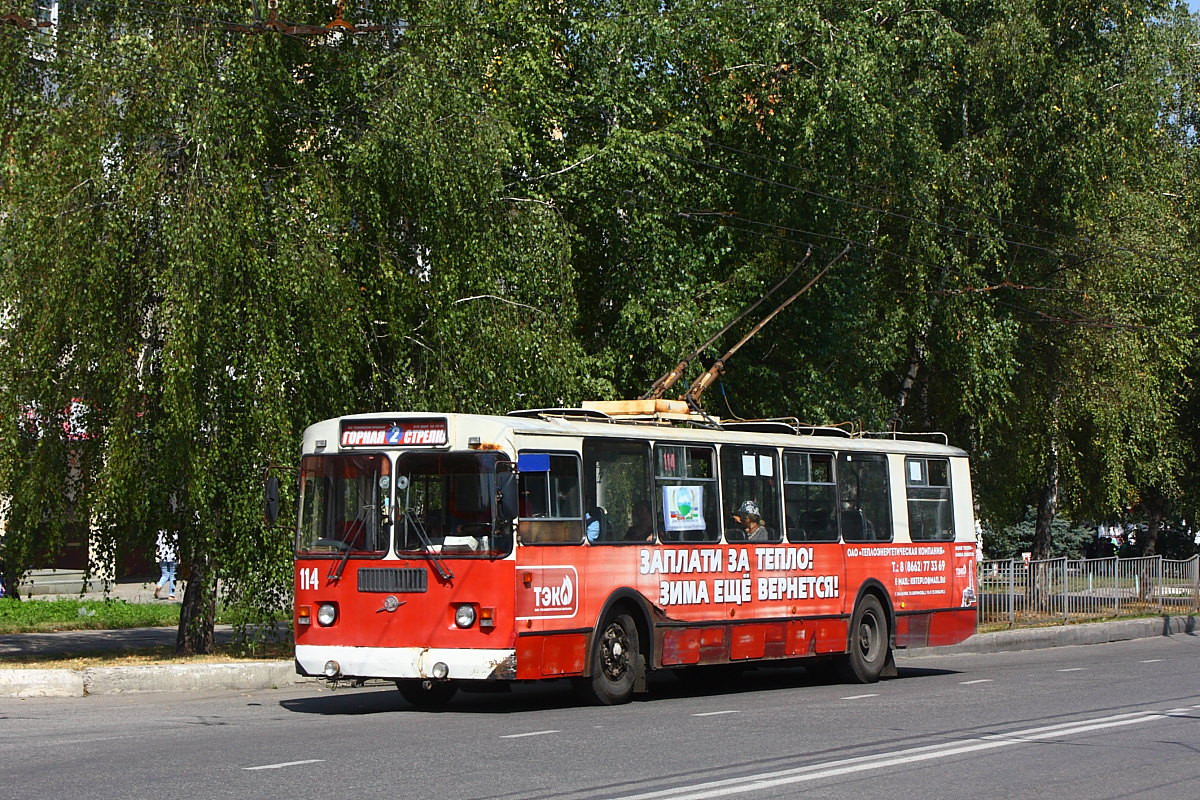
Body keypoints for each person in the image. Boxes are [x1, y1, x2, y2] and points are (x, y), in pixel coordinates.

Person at [154, 530, 178, 601]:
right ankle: (171, 595)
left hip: (162, 556)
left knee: (165, 574)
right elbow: (177, 546)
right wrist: (179, 556)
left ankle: (159, 585)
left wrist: (157, 555)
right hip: (173, 556)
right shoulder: (175, 533)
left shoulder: (161, 532)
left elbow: (158, 546)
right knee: (173, 575)